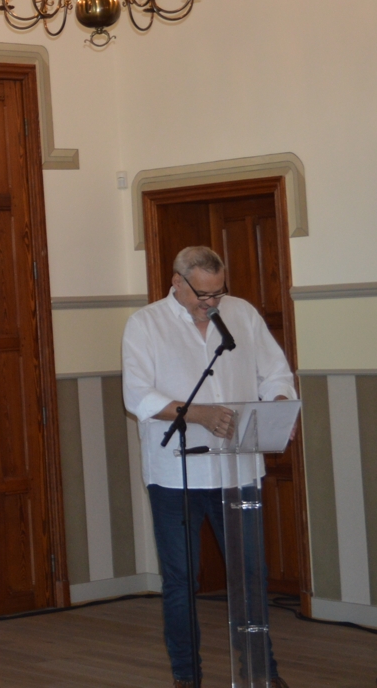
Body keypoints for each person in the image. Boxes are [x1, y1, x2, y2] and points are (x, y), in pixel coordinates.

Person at [122, 245, 296, 688]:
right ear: (177, 283)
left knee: (251, 576)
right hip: (174, 475)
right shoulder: (145, 324)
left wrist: (279, 406)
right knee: (181, 581)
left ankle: (261, 671)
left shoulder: (242, 314)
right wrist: (198, 414)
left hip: (239, 471)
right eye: (203, 294)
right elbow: (138, 395)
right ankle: (187, 676)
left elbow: (275, 373)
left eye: (218, 292)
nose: (212, 302)